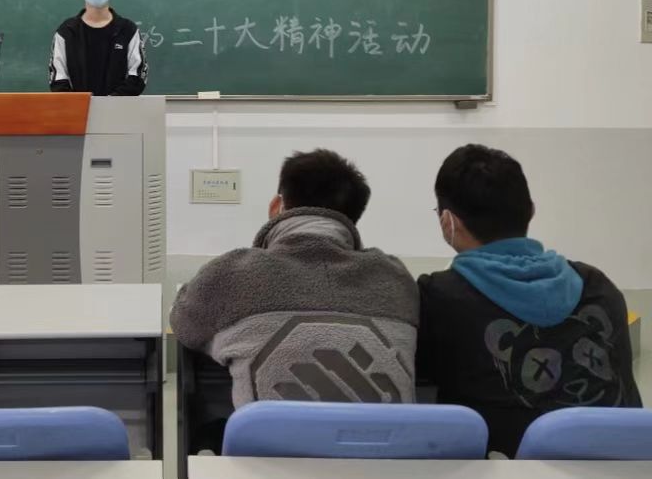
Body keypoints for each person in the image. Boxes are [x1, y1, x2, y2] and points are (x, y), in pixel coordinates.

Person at [417, 144, 642, 457]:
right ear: (531, 211)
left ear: (447, 222)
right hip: (615, 468)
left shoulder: (437, 297)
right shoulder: (599, 287)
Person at [171, 149, 419, 413]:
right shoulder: (397, 279)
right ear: (353, 218)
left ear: (276, 206)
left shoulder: (231, 273)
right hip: (387, 441)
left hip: (267, 440)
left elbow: (183, 324)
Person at [48, 0, 147, 96]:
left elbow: (137, 76)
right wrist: (78, 104)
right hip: (78, 108)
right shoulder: (67, 31)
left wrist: (110, 102)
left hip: (119, 107)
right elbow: (58, 78)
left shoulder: (128, 30)